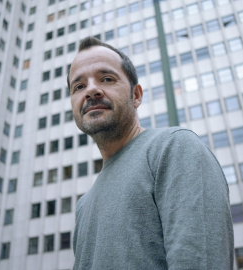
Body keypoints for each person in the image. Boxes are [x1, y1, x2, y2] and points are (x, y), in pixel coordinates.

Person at [67, 36, 233, 270]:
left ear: (136, 95)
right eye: (79, 86)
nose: (92, 90)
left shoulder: (174, 148)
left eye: (106, 78)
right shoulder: (84, 205)